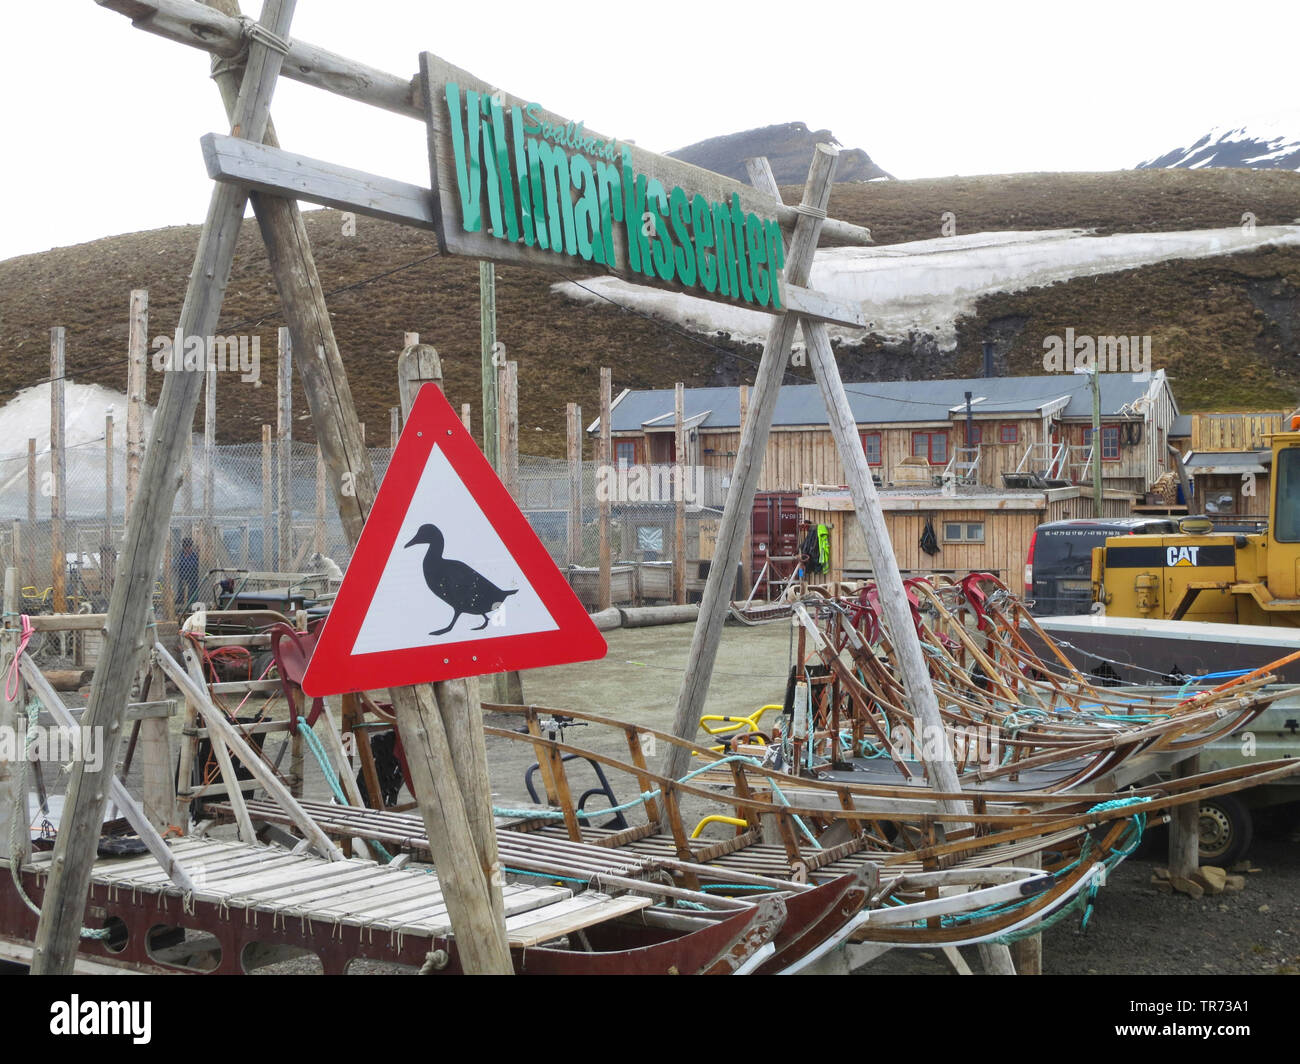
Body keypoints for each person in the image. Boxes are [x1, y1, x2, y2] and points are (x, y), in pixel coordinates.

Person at [175, 537, 201, 613]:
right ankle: (180, 604)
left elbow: (193, 565)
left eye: (189, 548)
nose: (187, 550)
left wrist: (184, 564)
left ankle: (192, 606)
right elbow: (177, 564)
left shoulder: (194, 555)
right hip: (182, 576)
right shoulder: (181, 554)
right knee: (180, 589)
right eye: (186, 548)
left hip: (192, 577)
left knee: (192, 591)